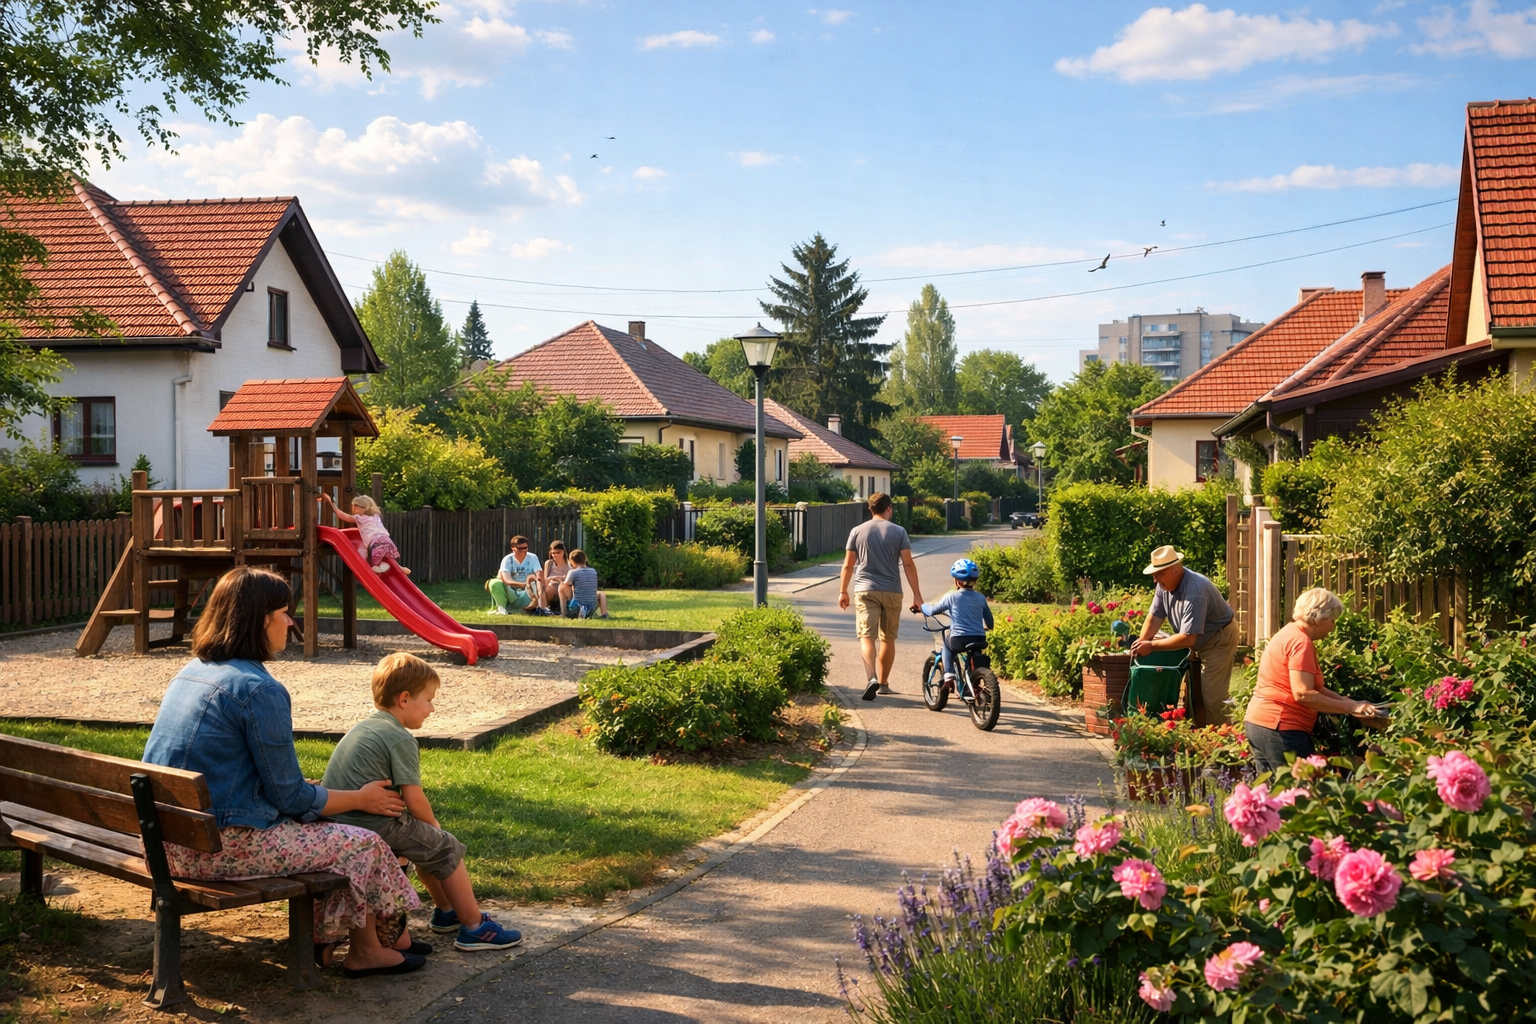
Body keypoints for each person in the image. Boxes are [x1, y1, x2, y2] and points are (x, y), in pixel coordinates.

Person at [142, 567, 428, 978]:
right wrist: (360, 799)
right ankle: (369, 949)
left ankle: (347, 939)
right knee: (363, 842)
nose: (290, 622)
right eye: (284, 612)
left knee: (329, 829)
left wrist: (320, 800)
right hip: (215, 851)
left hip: (167, 840)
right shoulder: (259, 689)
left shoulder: (192, 671)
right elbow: (290, 797)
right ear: (262, 620)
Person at [321, 652, 523, 951]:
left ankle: (445, 912)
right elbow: (415, 799)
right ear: (404, 699)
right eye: (428, 700)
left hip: (342, 823)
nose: (432, 708)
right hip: (370, 822)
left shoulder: (366, 727)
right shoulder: (399, 737)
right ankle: (474, 927)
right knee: (445, 846)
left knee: (425, 845)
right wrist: (434, 826)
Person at [1244, 587, 1383, 773]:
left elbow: (1317, 689)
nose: (1333, 627)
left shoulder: (1288, 633)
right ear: (1319, 618)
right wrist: (1351, 708)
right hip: (1282, 727)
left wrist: (1354, 705)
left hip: (1259, 723)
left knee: (1274, 798)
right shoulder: (1301, 642)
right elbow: (1303, 694)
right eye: (1333, 620)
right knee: (1303, 794)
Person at [1129, 545, 1239, 725]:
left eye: (1159, 574)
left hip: (1219, 639)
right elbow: (1154, 617)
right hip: (1197, 640)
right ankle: (1201, 736)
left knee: (1213, 696)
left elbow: (1188, 638)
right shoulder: (1163, 585)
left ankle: (1225, 743)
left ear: (1175, 569)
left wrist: (1152, 646)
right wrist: (1142, 643)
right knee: (1193, 694)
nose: (1155, 580)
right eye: (1154, 575)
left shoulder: (1195, 590)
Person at [839, 492, 924, 702]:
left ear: (870, 509)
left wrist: (843, 591)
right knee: (888, 638)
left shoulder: (857, 531)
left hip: (865, 590)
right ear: (889, 508)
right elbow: (908, 564)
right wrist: (917, 595)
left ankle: (871, 678)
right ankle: (884, 684)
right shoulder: (899, 531)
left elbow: (848, 565)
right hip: (893, 590)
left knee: (867, 636)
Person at [917, 558, 994, 698]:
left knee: (947, 645)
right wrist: (986, 626)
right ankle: (974, 684)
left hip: (959, 639)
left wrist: (921, 606)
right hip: (979, 638)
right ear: (975, 581)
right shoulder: (981, 598)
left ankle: (948, 676)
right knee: (974, 656)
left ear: (957, 581)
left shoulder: (952, 597)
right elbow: (990, 623)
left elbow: (932, 610)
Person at [321, 493, 409, 575]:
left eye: (353, 506)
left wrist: (331, 504)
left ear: (358, 508)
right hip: (386, 540)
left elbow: (342, 516)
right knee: (387, 556)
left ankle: (382, 568)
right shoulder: (375, 516)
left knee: (371, 564)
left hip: (376, 542)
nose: (352, 509)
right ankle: (399, 568)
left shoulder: (359, 518)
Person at [486, 535, 550, 615]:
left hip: (529, 592)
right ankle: (501, 608)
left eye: (525, 548)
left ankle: (541, 608)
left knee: (539, 583)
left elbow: (539, 574)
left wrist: (535, 582)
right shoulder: (507, 559)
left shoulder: (533, 557)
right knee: (494, 583)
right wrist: (525, 584)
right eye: (520, 549)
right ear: (513, 548)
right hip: (512, 592)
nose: (523, 551)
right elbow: (506, 580)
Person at [559, 549, 608, 619]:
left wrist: (562, 580)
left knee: (561, 587)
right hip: (591, 606)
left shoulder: (573, 572)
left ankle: (564, 613)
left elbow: (566, 584)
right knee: (601, 594)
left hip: (577, 607)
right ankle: (604, 613)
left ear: (572, 562)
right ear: (585, 560)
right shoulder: (593, 571)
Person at [541, 540, 572, 613]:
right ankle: (544, 609)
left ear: (563, 552)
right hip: (551, 588)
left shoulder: (570, 564)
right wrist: (554, 578)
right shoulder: (549, 564)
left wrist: (562, 579)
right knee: (547, 587)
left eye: (558, 552)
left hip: (565, 589)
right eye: (553, 553)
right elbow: (546, 580)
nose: (555, 555)